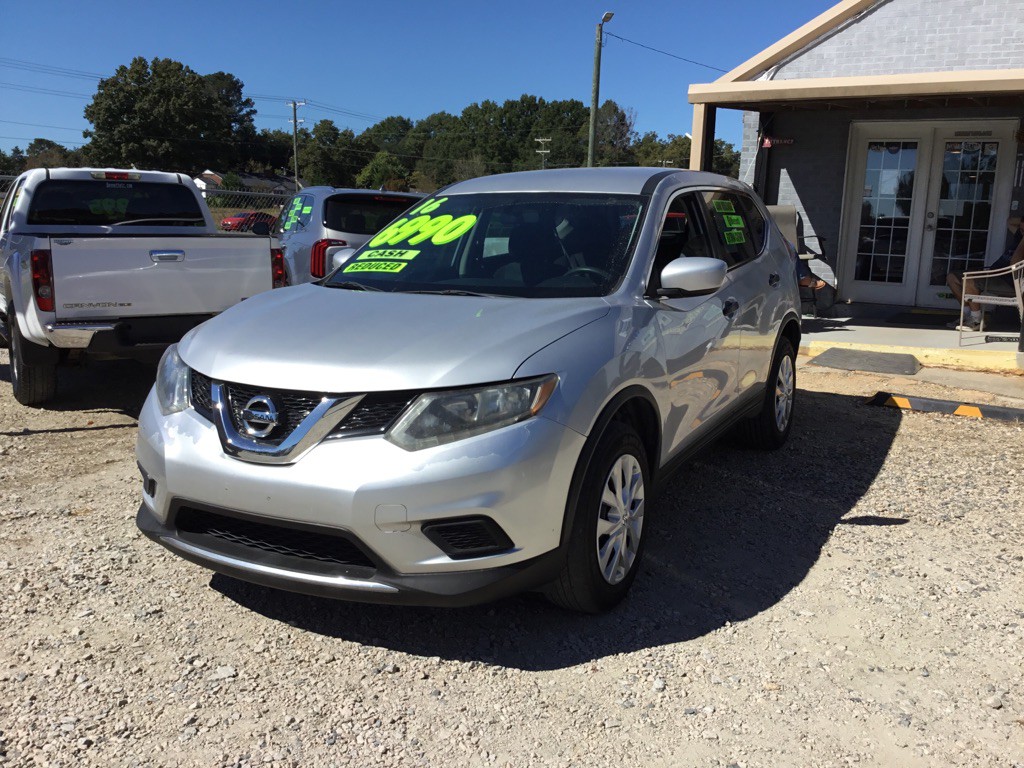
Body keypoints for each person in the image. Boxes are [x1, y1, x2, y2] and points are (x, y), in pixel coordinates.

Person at [947, 217, 1024, 330]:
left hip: (1009, 281)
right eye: (1021, 230)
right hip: (993, 275)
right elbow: (1010, 221)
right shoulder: (1019, 236)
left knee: (970, 279)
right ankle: (967, 315)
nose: (1021, 232)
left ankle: (976, 320)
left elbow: (1015, 263)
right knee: (952, 277)